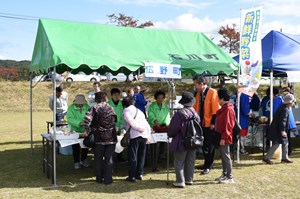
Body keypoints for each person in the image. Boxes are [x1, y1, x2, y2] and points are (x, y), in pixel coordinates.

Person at [82, 92, 117, 184]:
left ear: (96, 99)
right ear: (106, 98)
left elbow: (86, 121)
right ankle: (108, 179)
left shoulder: (95, 108)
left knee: (98, 159)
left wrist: (87, 130)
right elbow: (114, 122)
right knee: (109, 159)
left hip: (99, 138)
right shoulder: (112, 108)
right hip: (111, 137)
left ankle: (99, 178)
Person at [168, 92, 200, 188]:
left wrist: (169, 134)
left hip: (181, 140)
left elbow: (174, 128)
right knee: (190, 160)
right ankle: (189, 179)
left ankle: (180, 181)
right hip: (193, 140)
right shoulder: (195, 113)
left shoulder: (179, 114)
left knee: (179, 161)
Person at [193, 74, 219, 175]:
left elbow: (215, 109)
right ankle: (206, 163)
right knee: (204, 145)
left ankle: (209, 165)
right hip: (201, 123)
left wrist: (213, 122)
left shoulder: (212, 92)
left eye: (196, 84)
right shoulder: (198, 94)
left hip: (209, 124)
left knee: (210, 145)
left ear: (201, 84)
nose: (195, 86)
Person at [122, 96, 151, 182]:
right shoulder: (140, 111)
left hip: (134, 135)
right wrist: (148, 135)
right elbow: (146, 124)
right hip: (144, 135)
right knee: (141, 156)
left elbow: (130, 121)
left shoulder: (126, 110)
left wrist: (138, 128)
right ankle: (140, 173)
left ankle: (132, 176)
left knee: (133, 156)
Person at [263, 93, 295, 165]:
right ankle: (267, 158)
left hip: (276, 129)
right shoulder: (285, 110)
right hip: (278, 130)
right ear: (290, 102)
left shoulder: (282, 107)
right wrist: (283, 131)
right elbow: (282, 121)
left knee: (285, 143)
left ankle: (284, 157)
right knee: (276, 144)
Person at [215, 88, 235, 183]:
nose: (217, 100)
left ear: (222, 98)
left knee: (226, 155)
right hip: (221, 135)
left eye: (218, 98)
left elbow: (228, 125)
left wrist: (224, 137)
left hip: (225, 136)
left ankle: (229, 176)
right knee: (223, 155)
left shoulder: (228, 109)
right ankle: (225, 173)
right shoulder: (224, 108)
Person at [147, 90, 171, 171]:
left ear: (164, 98)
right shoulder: (151, 107)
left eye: (162, 98)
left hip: (163, 128)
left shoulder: (166, 107)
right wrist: (154, 120)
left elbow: (168, 116)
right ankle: (153, 158)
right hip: (154, 128)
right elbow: (150, 115)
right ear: (156, 98)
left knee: (163, 142)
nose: (160, 99)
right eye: (158, 98)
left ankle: (161, 155)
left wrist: (165, 124)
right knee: (153, 144)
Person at [66, 94, 90, 169]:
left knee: (85, 145)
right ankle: (76, 161)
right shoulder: (71, 108)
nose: (80, 105)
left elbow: (90, 116)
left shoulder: (87, 107)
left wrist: (87, 122)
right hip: (75, 130)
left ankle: (84, 159)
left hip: (85, 130)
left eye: (82, 103)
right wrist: (79, 123)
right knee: (75, 147)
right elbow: (69, 119)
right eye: (79, 103)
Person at [108, 88, 126, 162]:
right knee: (112, 142)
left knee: (120, 140)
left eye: (118, 94)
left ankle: (120, 157)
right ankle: (113, 157)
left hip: (121, 126)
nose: (116, 96)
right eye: (115, 94)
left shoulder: (122, 104)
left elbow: (124, 114)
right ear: (111, 95)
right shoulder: (108, 104)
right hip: (111, 126)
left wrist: (121, 124)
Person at [282, 87, 297, 155]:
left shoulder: (287, 98)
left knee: (287, 137)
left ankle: (288, 151)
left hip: (288, 120)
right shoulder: (290, 98)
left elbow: (293, 105)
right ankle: (288, 150)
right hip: (290, 120)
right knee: (288, 136)